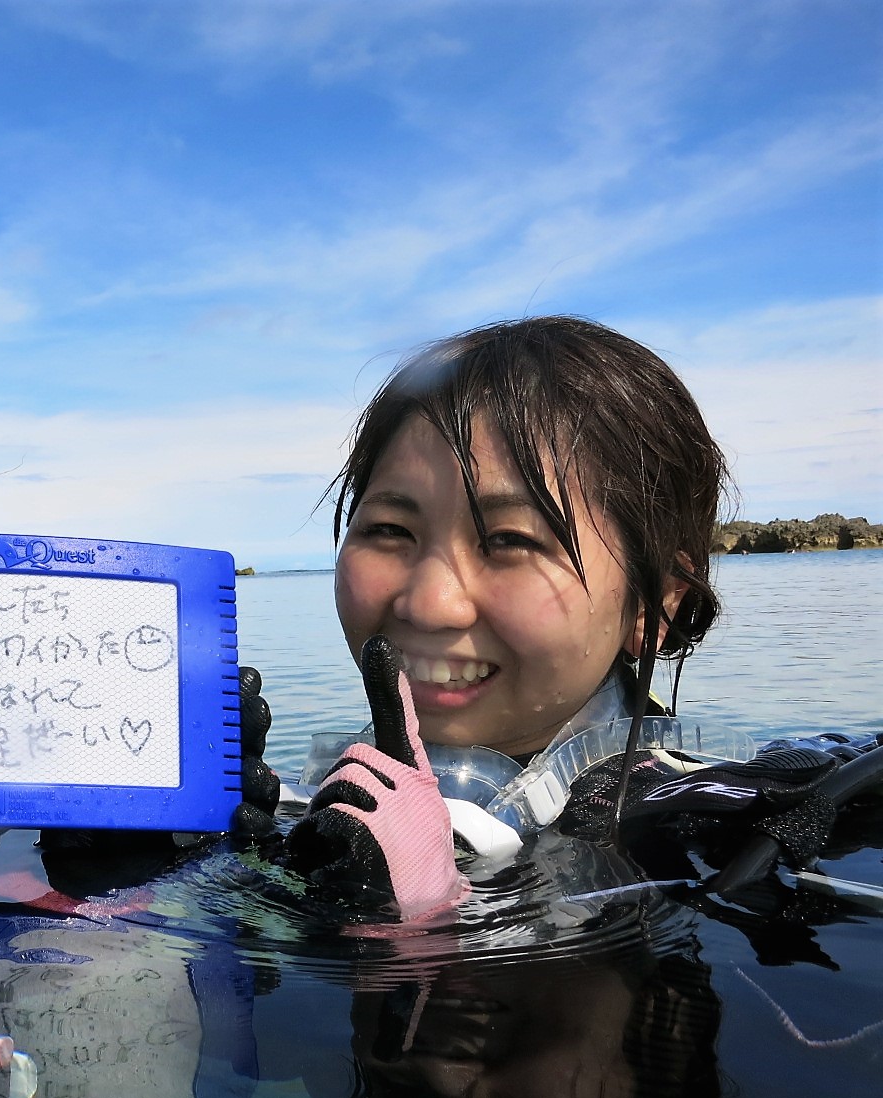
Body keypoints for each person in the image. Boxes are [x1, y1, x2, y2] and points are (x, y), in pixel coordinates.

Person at [257, 315, 882, 920]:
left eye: (510, 541)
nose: (428, 603)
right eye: (389, 529)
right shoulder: (288, 814)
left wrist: (422, 917)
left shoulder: (733, 837)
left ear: (655, 604)